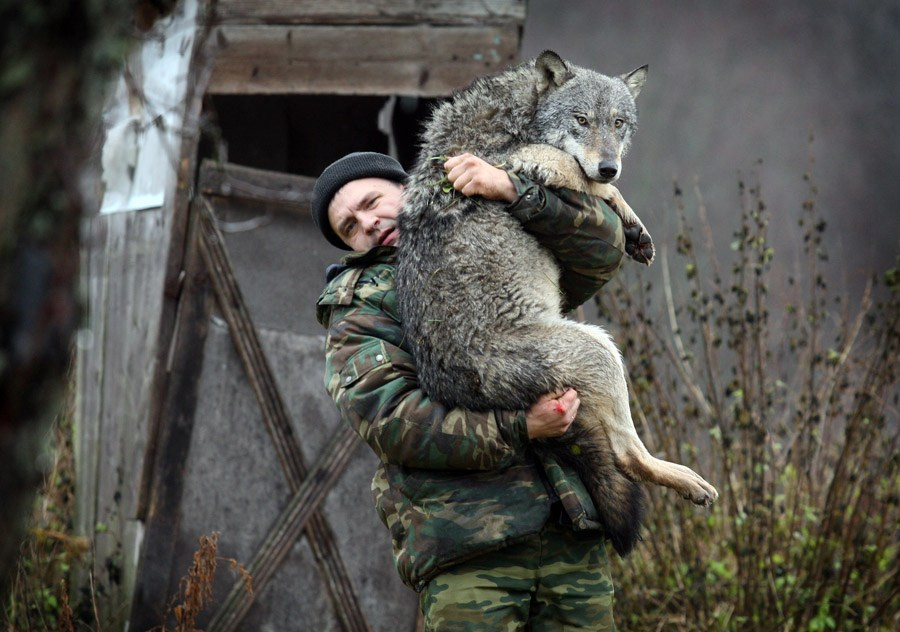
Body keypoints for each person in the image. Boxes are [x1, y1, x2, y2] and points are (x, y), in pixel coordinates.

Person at [314, 151, 628, 630]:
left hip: (571, 529)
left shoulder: (491, 229)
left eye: (372, 201)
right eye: (350, 227)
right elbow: (393, 422)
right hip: (468, 551)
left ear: (407, 187)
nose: (370, 223)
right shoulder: (358, 310)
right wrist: (521, 426)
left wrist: (513, 191)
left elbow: (602, 249)